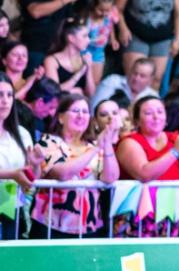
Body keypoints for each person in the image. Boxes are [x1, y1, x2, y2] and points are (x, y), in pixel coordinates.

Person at [29, 94, 120, 238]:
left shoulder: (92, 146)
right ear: (60, 118)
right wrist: (97, 148)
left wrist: (106, 144)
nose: (81, 115)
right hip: (51, 226)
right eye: (75, 111)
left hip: (89, 227)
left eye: (85, 112)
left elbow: (111, 178)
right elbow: (63, 173)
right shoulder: (49, 142)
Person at [116, 96, 179, 236]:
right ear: (137, 120)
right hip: (137, 217)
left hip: (172, 215)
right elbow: (144, 174)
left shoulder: (177, 139)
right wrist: (175, 152)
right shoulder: (129, 143)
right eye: (148, 113)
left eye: (160, 112)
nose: (156, 117)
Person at [115, 0, 179, 92]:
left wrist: (178, 39)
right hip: (135, 35)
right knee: (135, 77)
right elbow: (117, 8)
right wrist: (122, 28)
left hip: (162, 39)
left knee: (156, 78)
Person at [0, 73, 42, 239]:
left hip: (11, 205)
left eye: (9, 95)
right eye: (0, 95)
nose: (5, 100)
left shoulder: (22, 134)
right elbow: (16, 174)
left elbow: (32, 181)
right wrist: (12, 174)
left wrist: (36, 165)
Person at [42, 19, 95, 96]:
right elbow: (53, 92)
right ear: (71, 38)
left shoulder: (84, 59)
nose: (88, 40)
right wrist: (80, 73)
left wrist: (89, 68)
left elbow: (91, 94)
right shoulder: (51, 60)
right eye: (84, 36)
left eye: (88, 36)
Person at [82, 0, 119, 86]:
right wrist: (93, 40)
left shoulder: (110, 15)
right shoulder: (86, 18)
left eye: (107, 10)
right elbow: (79, 37)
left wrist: (113, 39)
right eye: (100, 10)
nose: (104, 14)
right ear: (94, 5)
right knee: (82, 80)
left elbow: (110, 27)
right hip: (84, 51)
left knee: (95, 82)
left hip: (99, 52)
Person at [90, 57, 158, 109]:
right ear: (130, 71)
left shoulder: (153, 97)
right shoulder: (112, 82)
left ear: (150, 79)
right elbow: (95, 107)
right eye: (135, 73)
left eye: (142, 76)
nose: (136, 78)